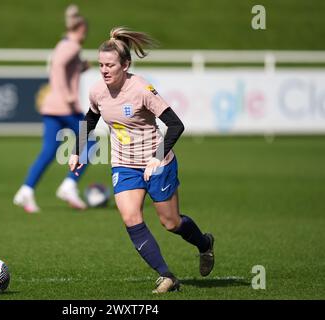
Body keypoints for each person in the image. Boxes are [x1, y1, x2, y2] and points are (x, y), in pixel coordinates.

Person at [69, 27, 215, 293]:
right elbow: (90, 119)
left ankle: (204, 244)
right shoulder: (97, 91)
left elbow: (176, 125)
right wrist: (77, 149)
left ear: (125, 65)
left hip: (157, 162)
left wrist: (157, 158)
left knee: (170, 223)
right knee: (130, 216)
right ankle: (167, 276)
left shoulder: (141, 89)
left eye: (110, 64)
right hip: (124, 165)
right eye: (101, 64)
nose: (104, 70)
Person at [14, 5, 93, 212]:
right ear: (81, 28)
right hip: (65, 107)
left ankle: (26, 190)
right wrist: (66, 93)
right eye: (84, 29)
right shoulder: (73, 46)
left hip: (52, 107)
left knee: (49, 151)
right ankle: (69, 184)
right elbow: (57, 65)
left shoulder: (64, 43)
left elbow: (62, 66)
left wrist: (81, 68)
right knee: (91, 142)